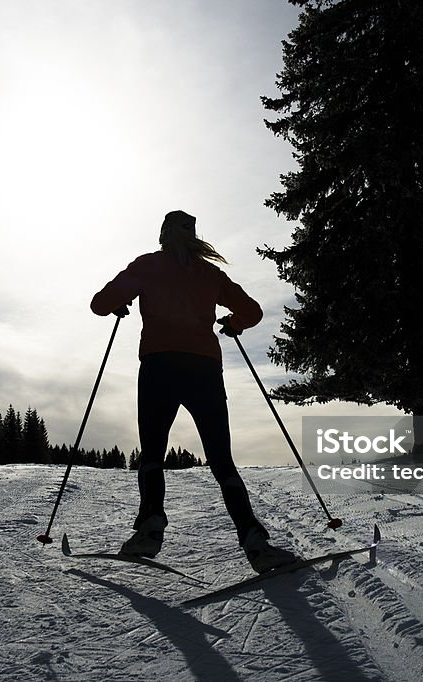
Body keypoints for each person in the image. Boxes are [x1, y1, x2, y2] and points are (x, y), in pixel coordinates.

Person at [90, 210, 297, 573]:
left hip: (159, 366)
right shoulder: (210, 273)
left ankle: (150, 529)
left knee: (153, 452)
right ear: (192, 235)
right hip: (203, 368)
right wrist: (232, 323)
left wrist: (118, 304)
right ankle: (255, 541)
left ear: (162, 235)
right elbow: (252, 311)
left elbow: (98, 304)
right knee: (222, 460)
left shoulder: (147, 265)